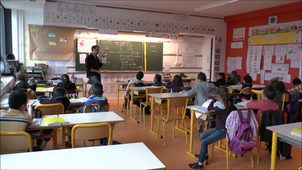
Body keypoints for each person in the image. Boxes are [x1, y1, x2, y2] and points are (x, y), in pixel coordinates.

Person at [188, 87, 237, 169]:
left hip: (222, 131)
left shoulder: (218, 108)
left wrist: (212, 101)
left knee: (204, 142)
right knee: (202, 135)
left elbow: (209, 108)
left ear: (218, 96)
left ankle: (200, 164)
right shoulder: (231, 105)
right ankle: (205, 155)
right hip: (222, 128)